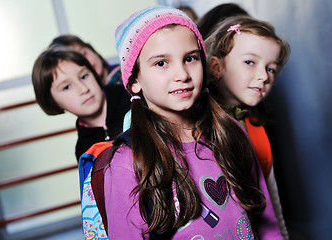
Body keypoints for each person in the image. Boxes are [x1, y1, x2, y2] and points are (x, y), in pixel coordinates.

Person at [103, 5, 282, 239]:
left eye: (190, 58)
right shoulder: (126, 162)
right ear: (134, 79)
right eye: (161, 63)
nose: (182, 74)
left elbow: (268, 223)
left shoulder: (231, 132)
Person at [205, 15, 291, 239]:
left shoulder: (255, 128)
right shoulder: (199, 129)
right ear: (216, 66)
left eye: (271, 69)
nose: (263, 76)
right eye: (250, 62)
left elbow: (271, 199)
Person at [31, 47, 130, 161]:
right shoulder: (84, 150)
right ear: (52, 102)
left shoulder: (131, 98)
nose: (83, 89)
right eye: (66, 87)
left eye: (84, 76)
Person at [49, 35, 122, 85]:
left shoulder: (123, 73)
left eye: (84, 54)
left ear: (92, 49)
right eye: (77, 62)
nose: (86, 62)